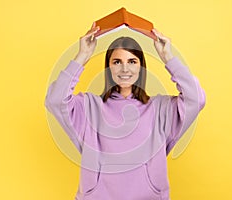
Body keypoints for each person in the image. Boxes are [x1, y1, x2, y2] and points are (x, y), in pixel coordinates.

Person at [45, 22, 206, 200]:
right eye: (117, 62)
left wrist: (168, 56)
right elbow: (55, 100)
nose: (124, 69)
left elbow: (196, 99)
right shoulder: (89, 107)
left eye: (132, 61)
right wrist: (82, 56)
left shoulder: (160, 108)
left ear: (140, 67)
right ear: (109, 67)